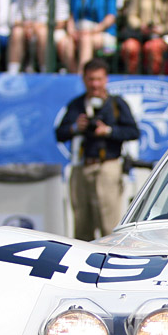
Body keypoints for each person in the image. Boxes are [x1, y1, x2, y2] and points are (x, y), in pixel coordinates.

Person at [54, 58, 140, 241]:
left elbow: (133, 131)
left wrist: (108, 131)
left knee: (109, 225)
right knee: (82, 227)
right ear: (84, 79)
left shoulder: (116, 104)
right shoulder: (77, 105)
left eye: (99, 79)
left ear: (106, 79)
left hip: (107, 165)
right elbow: (60, 133)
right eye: (91, 79)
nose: (95, 84)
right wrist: (76, 127)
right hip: (82, 166)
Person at [7, 0, 70, 73]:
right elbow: (15, 17)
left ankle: (45, 71)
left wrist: (38, 27)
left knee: (42, 33)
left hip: (51, 31)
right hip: (27, 29)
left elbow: (61, 22)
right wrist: (27, 26)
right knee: (17, 32)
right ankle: (12, 72)